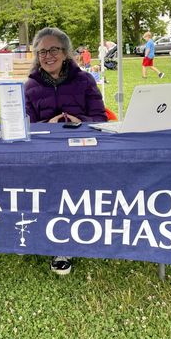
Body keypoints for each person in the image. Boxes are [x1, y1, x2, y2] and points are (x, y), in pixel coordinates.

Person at [24, 27, 107, 275]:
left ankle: (68, 240)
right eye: (42, 52)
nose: (48, 56)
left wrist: (77, 120)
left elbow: (101, 119)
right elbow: (24, 126)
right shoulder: (30, 85)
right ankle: (51, 239)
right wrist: (46, 126)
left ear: (66, 52)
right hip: (44, 150)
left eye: (53, 50)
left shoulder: (85, 81)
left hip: (82, 148)